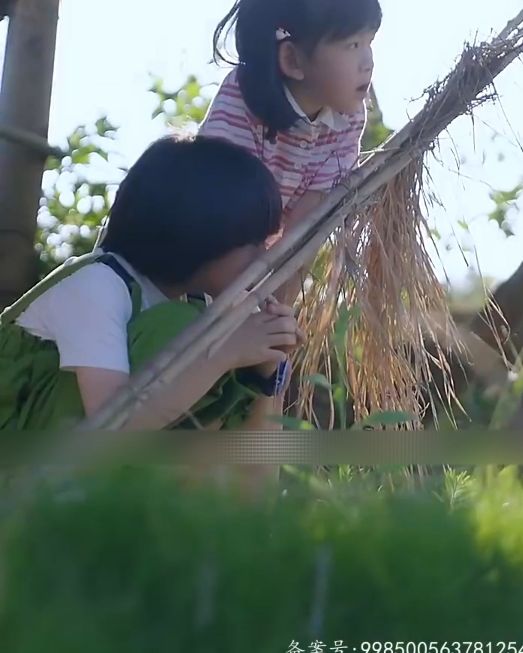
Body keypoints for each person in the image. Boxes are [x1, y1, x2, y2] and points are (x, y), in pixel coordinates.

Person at [0, 135, 304, 434]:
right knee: (188, 333)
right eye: (254, 242)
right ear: (201, 234)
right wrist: (225, 354)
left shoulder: (195, 303)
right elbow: (110, 426)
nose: (263, 257)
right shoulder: (99, 286)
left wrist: (265, 373)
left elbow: (246, 477)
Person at [198, 0, 382, 302]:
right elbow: (220, 215)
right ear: (293, 60)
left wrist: (277, 312)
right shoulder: (242, 99)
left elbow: (306, 225)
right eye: (353, 45)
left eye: (369, 42)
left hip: (257, 267)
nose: (368, 61)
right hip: (194, 260)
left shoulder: (347, 117)